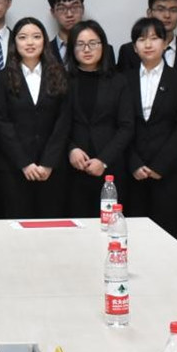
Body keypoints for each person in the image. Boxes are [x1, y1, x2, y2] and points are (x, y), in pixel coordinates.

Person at [0, 17, 71, 220]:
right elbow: (1, 122)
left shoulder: (59, 74)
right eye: (23, 37)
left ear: (44, 41)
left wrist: (48, 162)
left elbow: (63, 121)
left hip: (52, 168)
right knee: (17, 225)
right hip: (14, 169)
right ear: (14, 43)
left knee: (51, 226)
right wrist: (24, 163)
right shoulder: (3, 77)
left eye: (36, 37)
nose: (30, 42)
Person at [123, 17, 177, 245]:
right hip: (133, 172)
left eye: (154, 38)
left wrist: (160, 165)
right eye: (141, 39)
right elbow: (121, 126)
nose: (148, 44)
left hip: (169, 172)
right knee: (135, 238)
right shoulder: (124, 80)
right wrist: (134, 163)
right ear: (134, 47)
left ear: (164, 43)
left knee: (171, 236)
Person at [66, 20, 134, 218]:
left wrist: (103, 160)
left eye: (93, 43)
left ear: (103, 46)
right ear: (72, 49)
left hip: (110, 167)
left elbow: (126, 126)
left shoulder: (118, 81)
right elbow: (56, 123)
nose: (87, 49)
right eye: (80, 44)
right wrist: (71, 149)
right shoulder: (63, 80)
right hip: (72, 168)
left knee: (109, 225)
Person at [47, 0, 115, 69]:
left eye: (75, 7)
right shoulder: (44, 50)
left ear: (83, 9)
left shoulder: (104, 50)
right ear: (53, 12)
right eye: (62, 8)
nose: (69, 14)